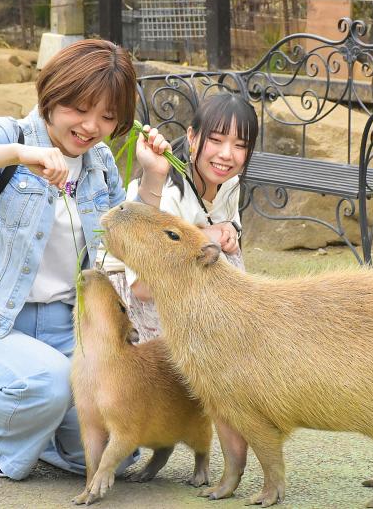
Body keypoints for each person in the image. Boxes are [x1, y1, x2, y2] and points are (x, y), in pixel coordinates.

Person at [0, 39, 171, 480]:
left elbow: (128, 244)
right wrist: (19, 155)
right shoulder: (10, 134)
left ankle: (40, 434)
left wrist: (153, 175)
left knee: (110, 449)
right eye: (79, 108)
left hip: (64, 324)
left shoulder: (98, 164)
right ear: (54, 94)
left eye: (108, 117)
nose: (91, 126)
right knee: (49, 382)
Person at [99, 92, 258, 494]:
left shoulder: (229, 184)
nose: (227, 155)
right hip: (141, 296)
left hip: (188, 289)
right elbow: (142, 285)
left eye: (240, 145)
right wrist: (205, 238)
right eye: (217, 140)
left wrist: (229, 232)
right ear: (192, 137)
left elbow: (228, 230)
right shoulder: (166, 191)